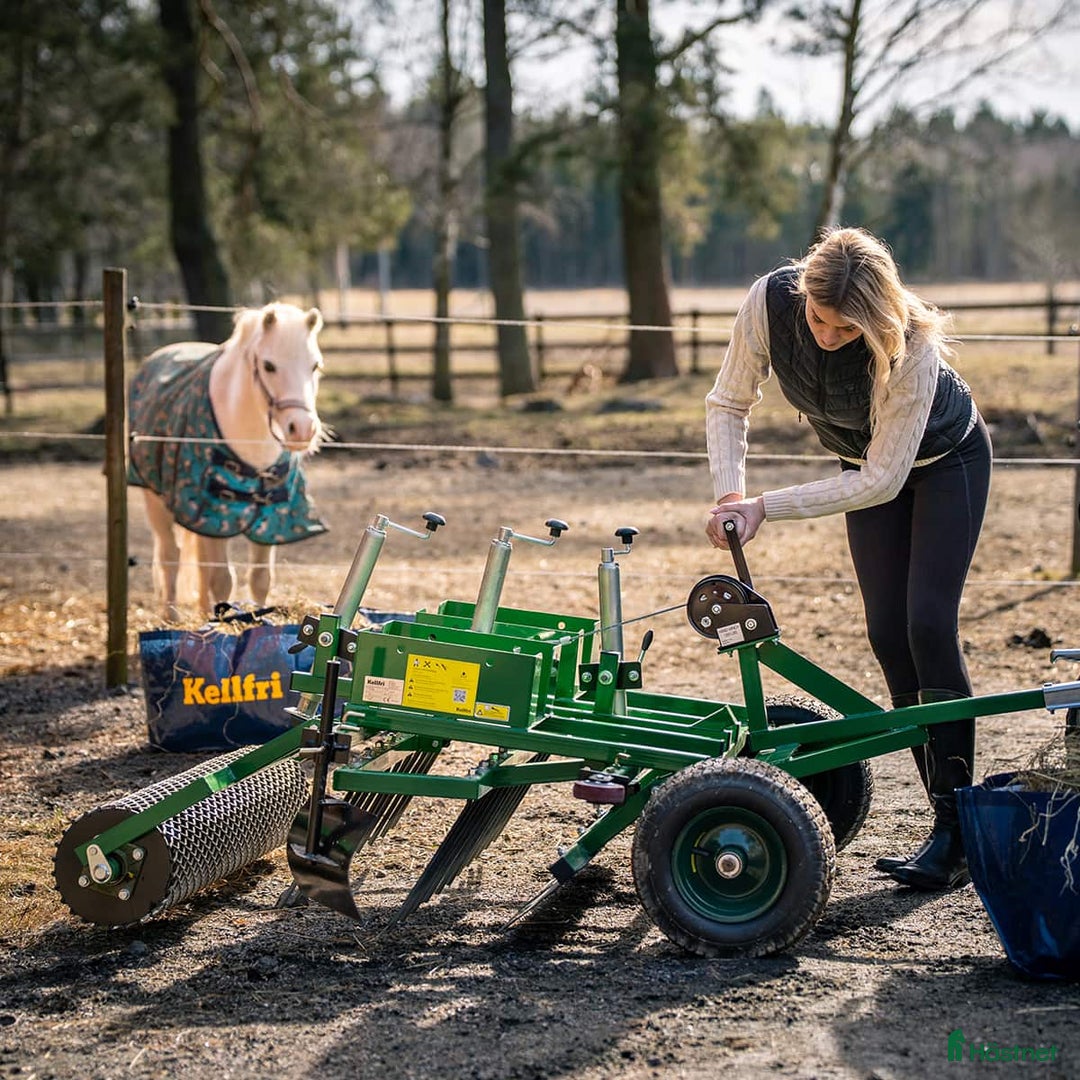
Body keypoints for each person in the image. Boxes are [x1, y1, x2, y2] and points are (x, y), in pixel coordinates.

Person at [704, 226, 992, 892]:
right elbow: (727, 401)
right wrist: (729, 491)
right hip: (866, 466)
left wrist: (765, 505)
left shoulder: (912, 344)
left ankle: (958, 832)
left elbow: (884, 481)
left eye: (846, 328)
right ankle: (944, 822)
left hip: (944, 465)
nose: (830, 336)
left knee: (926, 624)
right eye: (820, 321)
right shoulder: (769, 303)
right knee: (887, 633)